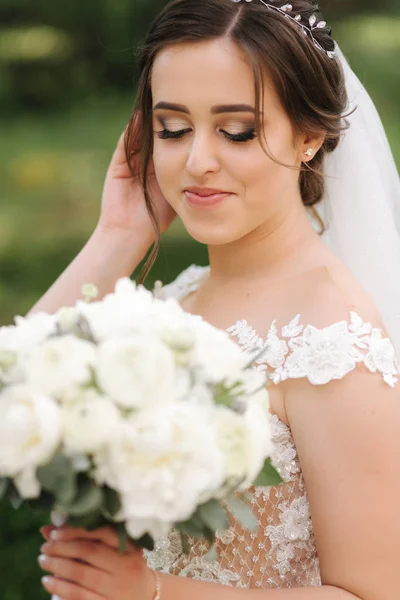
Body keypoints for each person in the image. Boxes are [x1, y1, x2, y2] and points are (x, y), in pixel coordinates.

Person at [34, 0, 400, 598]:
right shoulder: (175, 302)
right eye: (172, 130)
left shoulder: (330, 338)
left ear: (309, 135)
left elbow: (373, 592)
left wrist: (153, 591)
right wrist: (119, 234)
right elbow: (14, 400)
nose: (197, 162)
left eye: (237, 131)